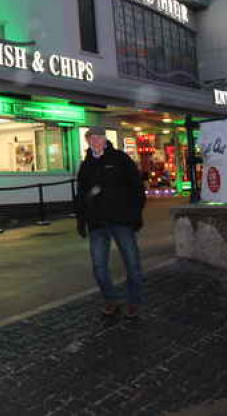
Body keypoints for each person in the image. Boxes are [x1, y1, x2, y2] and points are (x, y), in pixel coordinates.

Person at [75, 126, 147, 318]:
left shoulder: (120, 159)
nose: (95, 141)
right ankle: (111, 299)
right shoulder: (86, 165)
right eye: (92, 138)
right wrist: (81, 221)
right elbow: (81, 195)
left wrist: (135, 215)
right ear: (88, 141)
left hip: (121, 221)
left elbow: (137, 187)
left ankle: (134, 302)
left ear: (105, 140)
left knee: (132, 263)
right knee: (99, 266)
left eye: (99, 138)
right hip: (97, 224)